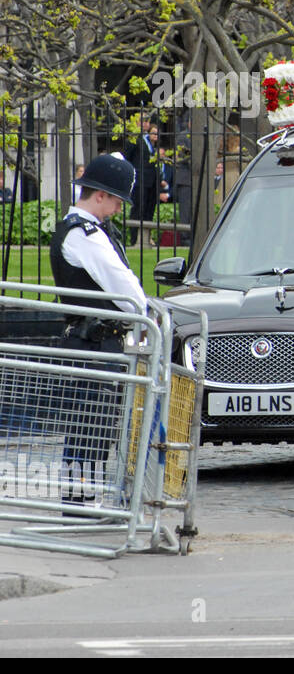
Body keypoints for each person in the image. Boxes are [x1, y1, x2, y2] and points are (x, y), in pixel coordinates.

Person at [49, 152, 149, 506]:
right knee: (90, 424)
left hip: (96, 341)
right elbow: (121, 284)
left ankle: (84, 498)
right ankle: (79, 501)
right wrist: (146, 314)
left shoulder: (85, 229)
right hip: (94, 342)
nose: (120, 207)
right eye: (118, 199)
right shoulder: (84, 234)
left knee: (95, 424)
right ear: (101, 195)